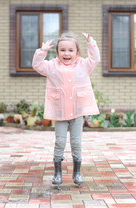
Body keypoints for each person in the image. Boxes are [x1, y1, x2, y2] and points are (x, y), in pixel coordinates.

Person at [32, 32, 100, 185]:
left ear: (77, 52)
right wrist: (41, 52)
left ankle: (77, 173)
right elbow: (37, 65)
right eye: (62, 50)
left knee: (76, 142)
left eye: (71, 50)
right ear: (57, 52)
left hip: (77, 112)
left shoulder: (83, 65)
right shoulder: (51, 66)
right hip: (60, 112)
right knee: (60, 141)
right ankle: (57, 174)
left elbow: (95, 59)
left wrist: (91, 43)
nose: (66, 53)